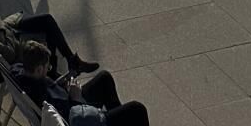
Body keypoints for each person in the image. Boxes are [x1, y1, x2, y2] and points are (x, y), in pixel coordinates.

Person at [10, 42, 148, 126]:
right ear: (39, 69)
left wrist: (62, 85)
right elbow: (72, 118)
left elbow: (51, 90)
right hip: (79, 116)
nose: (48, 70)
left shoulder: (18, 71)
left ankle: (119, 120)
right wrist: (75, 98)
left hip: (69, 102)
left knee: (104, 77)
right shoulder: (41, 94)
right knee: (137, 108)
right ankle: (119, 119)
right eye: (47, 67)